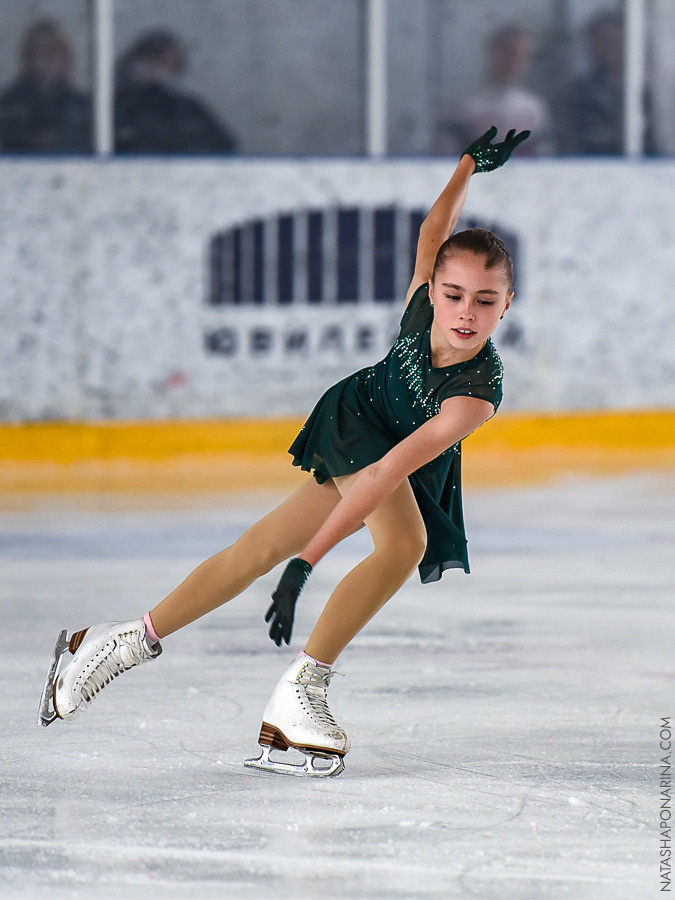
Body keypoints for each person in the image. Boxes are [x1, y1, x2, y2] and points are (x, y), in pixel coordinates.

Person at [38, 125, 530, 778]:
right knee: (401, 546)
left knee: (262, 549)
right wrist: (467, 164)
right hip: (357, 422)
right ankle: (302, 691)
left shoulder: (475, 395)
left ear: (507, 307)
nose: (464, 312)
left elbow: (390, 472)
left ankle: (117, 641)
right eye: (453, 294)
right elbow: (433, 228)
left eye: (484, 301)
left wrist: (301, 561)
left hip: (391, 455)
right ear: (433, 287)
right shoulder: (422, 300)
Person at [114, 29, 237, 154]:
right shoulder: (112, 108)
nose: (161, 66)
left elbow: (223, 146)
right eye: (156, 57)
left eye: (171, 61)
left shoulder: (188, 109)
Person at [436, 25, 552, 156]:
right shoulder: (463, 106)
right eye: (508, 53)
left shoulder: (534, 108)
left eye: (521, 55)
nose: (513, 61)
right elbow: (446, 157)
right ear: (492, 53)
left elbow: (543, 158)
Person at [0, 18, 91, 153]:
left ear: (66, 56)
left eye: (52, 51)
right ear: (26, 57)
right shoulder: (8, 105)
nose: (44, 59)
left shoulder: (83, 107)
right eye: (36, 51)